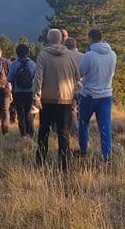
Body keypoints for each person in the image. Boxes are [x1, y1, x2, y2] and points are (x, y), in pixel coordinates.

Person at [33, 29, 81, 170]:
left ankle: (41, 161)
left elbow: (38, 78)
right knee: (63, 132)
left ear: (48, 40)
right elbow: (78, 77)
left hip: (47, 100)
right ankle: (64, 164)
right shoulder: (70, 57)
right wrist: (74, 95)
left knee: (44, 131)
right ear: (61, 40)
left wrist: (36, 97)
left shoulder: (43, 55)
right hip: (66, 100)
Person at [77, 29, 117, 162]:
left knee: (83, 124)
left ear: (90, 39)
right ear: (102, 38)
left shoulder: (89, 55)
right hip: (106, 95)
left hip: (88, 95)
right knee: (105, 126)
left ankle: (83, 152)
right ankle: (106, 156)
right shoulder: (113, 54)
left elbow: (80, 73)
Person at [7, 43, 37, 137]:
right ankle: (31, 132)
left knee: (21, 112)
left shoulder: (14, 64)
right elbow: (35, 78)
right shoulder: (32, 64)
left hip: (18, 92)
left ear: (17, 53)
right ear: (28, 52)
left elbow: (9, 79)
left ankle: (23, 133)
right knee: (29, 111)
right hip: (30, 91)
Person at [64, 37, 84, 135]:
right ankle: (82, 127)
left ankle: (76, 129)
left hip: (69, 88)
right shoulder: (84, 56)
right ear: (76, 45)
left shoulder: (65, 57)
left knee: (72, 110)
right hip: (82, 87)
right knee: (82, 110)